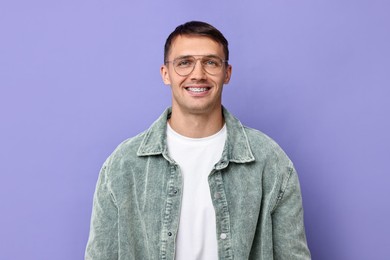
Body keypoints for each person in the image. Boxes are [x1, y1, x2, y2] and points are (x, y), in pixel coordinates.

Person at [85, 21, 311, 260]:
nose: (198, 74)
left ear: (227, 73)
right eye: (184, 63)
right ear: (166, 74)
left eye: (211, 62)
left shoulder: (269, 160)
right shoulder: (123, 164)